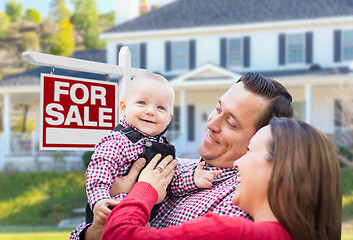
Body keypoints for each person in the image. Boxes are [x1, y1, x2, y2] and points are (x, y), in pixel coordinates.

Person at [78, 72, 294, 239]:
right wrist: (96, 227)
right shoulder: (172, 165)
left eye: (231, 122)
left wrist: (140, 192)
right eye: (218, 109)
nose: (211, 124)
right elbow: (83, 232)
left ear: (262, 138)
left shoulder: (240, 202)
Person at [101, 118, 342, 240]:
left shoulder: (230, 232)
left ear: (281, 170)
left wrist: (144, 189)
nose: (238, 164)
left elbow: (118, 236)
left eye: (250, 151)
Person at [70, 73, 221, 240]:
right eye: (142, 103)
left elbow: (170, 181)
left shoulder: (164, 147)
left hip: (141, 221)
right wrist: (99, 200)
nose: (150, 111)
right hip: (110, 212)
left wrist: (193, 179)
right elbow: (99, 171)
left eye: (160, 108)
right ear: (123, 108)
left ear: (169, 118)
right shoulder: (118, 140)